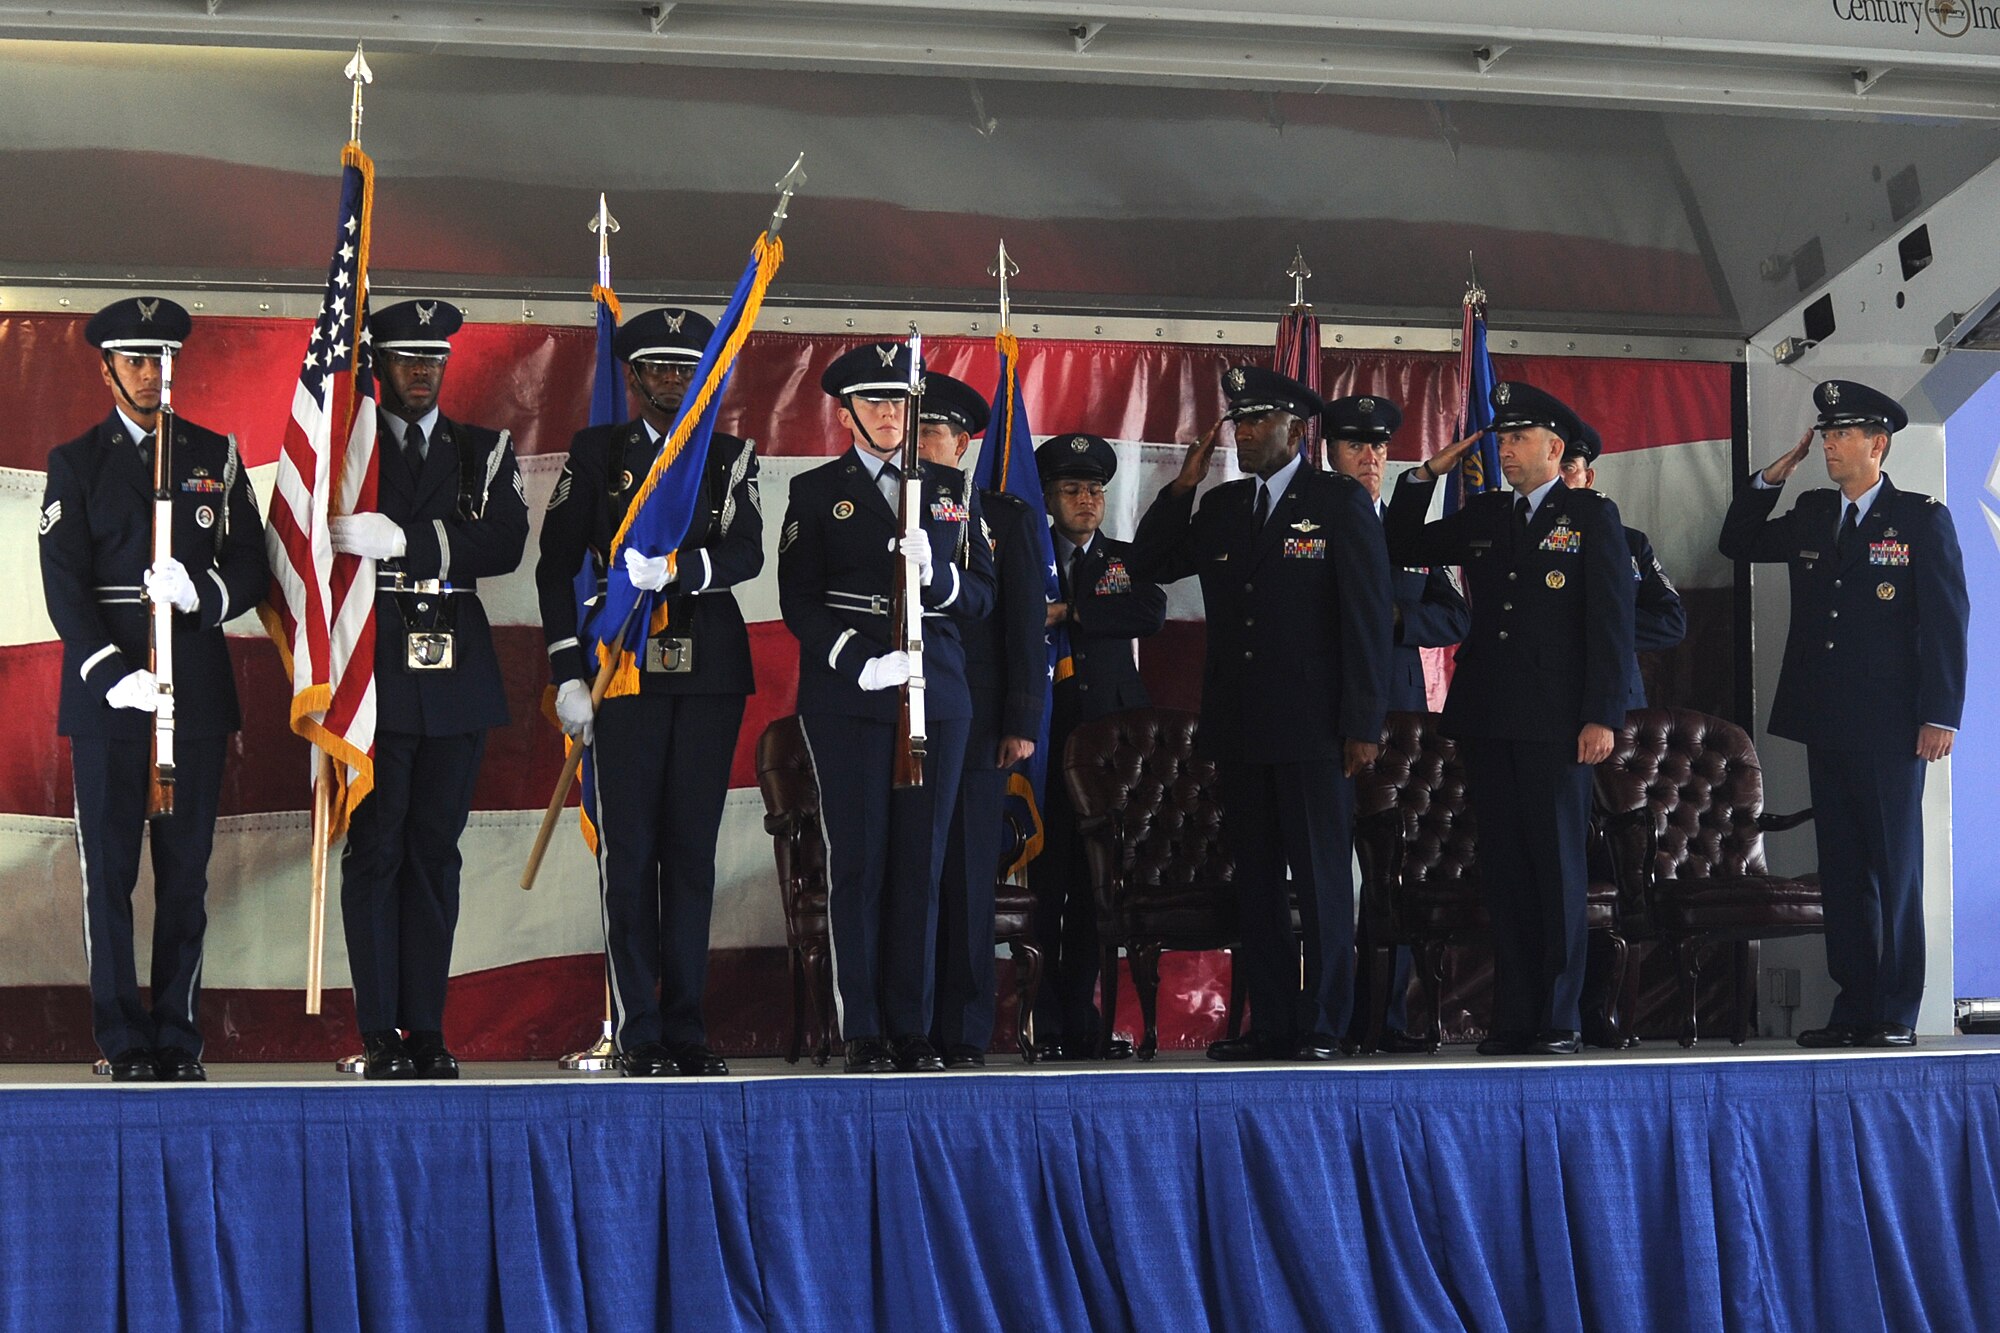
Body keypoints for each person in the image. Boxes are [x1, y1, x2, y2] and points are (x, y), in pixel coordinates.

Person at [1127, 366, 1392, 1061]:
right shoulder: (1220, 507)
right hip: (1241, 725)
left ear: (1296, 429)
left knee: (1322, 880)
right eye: (1237, 422)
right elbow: (1150, 561)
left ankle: (1327, 1021)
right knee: (1258, 887)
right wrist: (1182, 486)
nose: (1243, 433)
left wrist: (1364, 723)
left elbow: (1364, 618)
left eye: (1257, 421)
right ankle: (1272, 1022)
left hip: (1314, 729)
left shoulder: (1336, 502)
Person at [39, 297, 267, 1081]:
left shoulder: (214, 454)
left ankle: (176, 1035)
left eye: (161, 359)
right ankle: (121, 1039)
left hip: (193, 698)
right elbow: (64, 585)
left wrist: (200, 590)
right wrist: (111, 673)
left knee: (186, 874)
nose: (149, 373)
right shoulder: (76, 462)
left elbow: (252, 568)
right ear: (105, 367)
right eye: (135, 359)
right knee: (109, 874)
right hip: (111, 701)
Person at [535, 306, 761, 1077]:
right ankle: (637, 1029)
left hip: (708, 669)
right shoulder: (599, 452)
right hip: (621, 668)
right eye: (657, 368)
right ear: (631, 378)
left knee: (691, 855)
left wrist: (681, 570)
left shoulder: (727, 456)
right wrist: (567, 669)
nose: (672, 379)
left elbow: (747, 550)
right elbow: (553, 562)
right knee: (629, 854)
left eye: (684, 368)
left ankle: (686, 1030)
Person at [1384, 381, 1635, 1056]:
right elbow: (1402, 538)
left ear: (1556, 448)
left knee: (1555, 874)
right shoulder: (1490, 514)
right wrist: (1426, 474)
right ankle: (1516, 1016)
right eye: (1502, 438)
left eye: (1519, 439)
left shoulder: (1590, 516)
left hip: (1558, 725)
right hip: (1491, 717)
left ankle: (1558, 1018)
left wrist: (1601, 714)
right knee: (1506, 874)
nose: (1506, 449)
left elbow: (1609, 624)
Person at [1719, 379, 1967, 1049]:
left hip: (1892, 726)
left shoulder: (1919, 519)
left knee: (1895, 868)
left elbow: (1947, 622)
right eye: (1825, 433)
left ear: (1877, 444)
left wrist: (1941, 713)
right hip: (1825, 719)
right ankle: (1853, 1004)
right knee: (1845, 869)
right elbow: (1736, 540)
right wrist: (1775, 473)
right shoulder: (1811, 509)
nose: (1829, 443)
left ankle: (1896, 1009)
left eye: (1841, 434)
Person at [776, 342, 996, 1073]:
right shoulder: (815, 491)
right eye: (873, 402)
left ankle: (913, 1025)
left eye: (899, 402)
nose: (890, 414)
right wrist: (857, 660)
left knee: (920, 864)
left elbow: (985, 596)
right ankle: (863, 1025)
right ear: (845, 414)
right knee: (862, 860)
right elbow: (799, 600)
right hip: (853, 689)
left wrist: (939, 583)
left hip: (937, 686)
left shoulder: (948, 490)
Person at [331, 299, 528, 1079]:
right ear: (378, 364)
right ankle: (380, 1030)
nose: (421, 370)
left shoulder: (482, 449)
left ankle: (428, 1028)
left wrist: (409, 540)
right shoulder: (351, 451)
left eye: (433, 358)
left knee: (433, 854)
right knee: (375, 850)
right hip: (372, 666)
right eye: (407, 357)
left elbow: (506, 539)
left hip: (452, 672)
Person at [1320, 394, 1469, 1053]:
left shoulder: (1406, 534)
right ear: (1329, 453)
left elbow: (1456, 616)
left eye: (1378, 447)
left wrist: (1399, 622)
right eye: (1355, 446)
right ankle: (1330, 1017)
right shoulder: (1310, 523)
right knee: (1330, 878)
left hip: (1401, 730)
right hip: (1325, 721)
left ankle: (1389, 1017)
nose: (1369, 457)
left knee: (1394, 875)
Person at [1027, 432, 1166, 1060]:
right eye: (1071, 489)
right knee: (1046, 884)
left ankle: (1082, 1015)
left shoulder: (1122, 560)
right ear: (1047, 498)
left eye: (1094, 490)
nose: (1086, 500)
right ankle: (1045, 1018)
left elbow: (1149, 613)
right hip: (1044, 739)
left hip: (1108, 750)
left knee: (1093, 889)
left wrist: (1072, 612)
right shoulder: (1026, 558)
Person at [916, 373, 1040, 1069]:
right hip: (902, 716)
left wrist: (1021, 719)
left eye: (936, 432)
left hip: (981, 723)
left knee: (964, 879)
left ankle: (960, 1029)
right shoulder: (891, 508)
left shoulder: (1003, 516)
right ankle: (906, 1021)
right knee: (912, 873)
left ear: (963, 445)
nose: (924, 443)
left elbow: (1026, 625)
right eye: (918, 430)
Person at [1563, 422, 1686, 710]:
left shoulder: (1630, 542)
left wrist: (1595, 627)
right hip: (1548, 694)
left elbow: (1671, 622)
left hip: (1619, 697)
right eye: (1551, 466)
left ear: (1588, 477)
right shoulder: (1521, 538)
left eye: (1568, 467)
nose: (1559, 477)